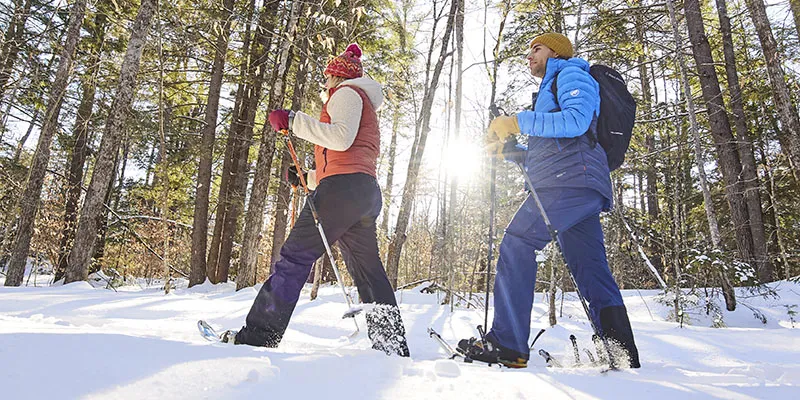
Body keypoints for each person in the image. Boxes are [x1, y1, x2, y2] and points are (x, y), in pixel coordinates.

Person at [460, 33, 640, 368]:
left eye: (536, 48)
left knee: (517, 242)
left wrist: (516, 121)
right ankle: (620, 351)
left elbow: (575, 122)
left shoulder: (570, 73)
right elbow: (561, 144)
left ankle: (507, 343)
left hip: (568, 183)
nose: (529, 55)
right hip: (576, 181)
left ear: (554, 51)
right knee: (591, 268)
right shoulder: (551, 86)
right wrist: (515, 152)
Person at [226, 43, 410, 357]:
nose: (323, 81)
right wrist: (307, 178)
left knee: (294, 258)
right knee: (368, 271)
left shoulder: (348, 94)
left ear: (337, 76)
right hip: (361, 192)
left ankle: (258, 336)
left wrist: (294, 120)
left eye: (326, 75)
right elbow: (344, 158)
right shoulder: (358, 101)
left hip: (344, 192)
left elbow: (340, 138)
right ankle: (390, 344)